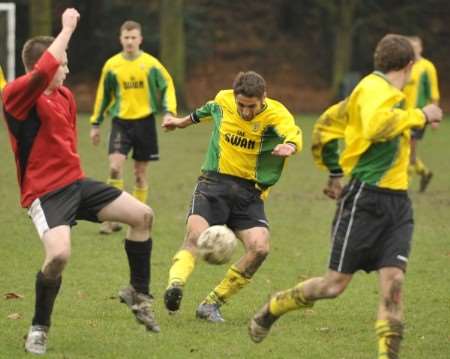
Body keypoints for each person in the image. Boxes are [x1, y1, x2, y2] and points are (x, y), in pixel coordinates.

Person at [248, 34, 443, 359]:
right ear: (410, 65)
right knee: (333, 286)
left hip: (398, 203)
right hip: (364, 200)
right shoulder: (371, 90)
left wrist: (333, 171)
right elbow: (375, 127)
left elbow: (325, 125)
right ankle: (274, 307)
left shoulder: (390, 94)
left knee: (394, 283)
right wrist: (421, 115)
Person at [2, 9, 160, 355]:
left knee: (143, 216)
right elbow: (45, 69)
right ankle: (39, 328)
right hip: (45, 194)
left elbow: (65, 146)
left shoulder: (65, 97)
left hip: (76, 184)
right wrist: (67, 28)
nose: (68, 70)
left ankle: (137, 292)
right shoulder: (15, 96)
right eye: (63, 64)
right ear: (42, 65)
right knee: (58, 255)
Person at [161, 71, 302, 322]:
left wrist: (289, 146)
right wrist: (179, 122)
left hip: (249, 193)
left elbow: (292, 131)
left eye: (252, 106)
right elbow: (204, 112)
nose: (246, 112)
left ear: (263, 99)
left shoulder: (276, 114)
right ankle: (176, 285)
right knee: (195, 236)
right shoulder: (223, 101)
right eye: (241, 105)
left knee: (260, 248)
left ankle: (212, 303)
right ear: (234, 98)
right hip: (213, 183)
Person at [90, 20, 177, 234]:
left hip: (145, 123)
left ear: (140, 39)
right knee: (115, 167)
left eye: (133, 37)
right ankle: (111, 218)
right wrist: (95, 123)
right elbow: (103, 95)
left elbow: (167, 85)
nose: (130, 41)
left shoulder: (151, 64)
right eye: (126, 37)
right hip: (120, 122)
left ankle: (137, 217)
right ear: (121, 39)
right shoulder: (112, 65)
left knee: (139, 174)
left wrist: (169, 111)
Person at [402, 36, 440, 192]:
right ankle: (424, 172)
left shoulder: (427, 67)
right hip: (403, 114)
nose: (413, 50)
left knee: (407, 148)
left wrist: (434, 117)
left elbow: (434, 92)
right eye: (410, 47)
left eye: (415, 47)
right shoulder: (404, 66)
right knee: (404, 148)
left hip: (420, 115)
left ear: (421, 48)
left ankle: (404, 184)